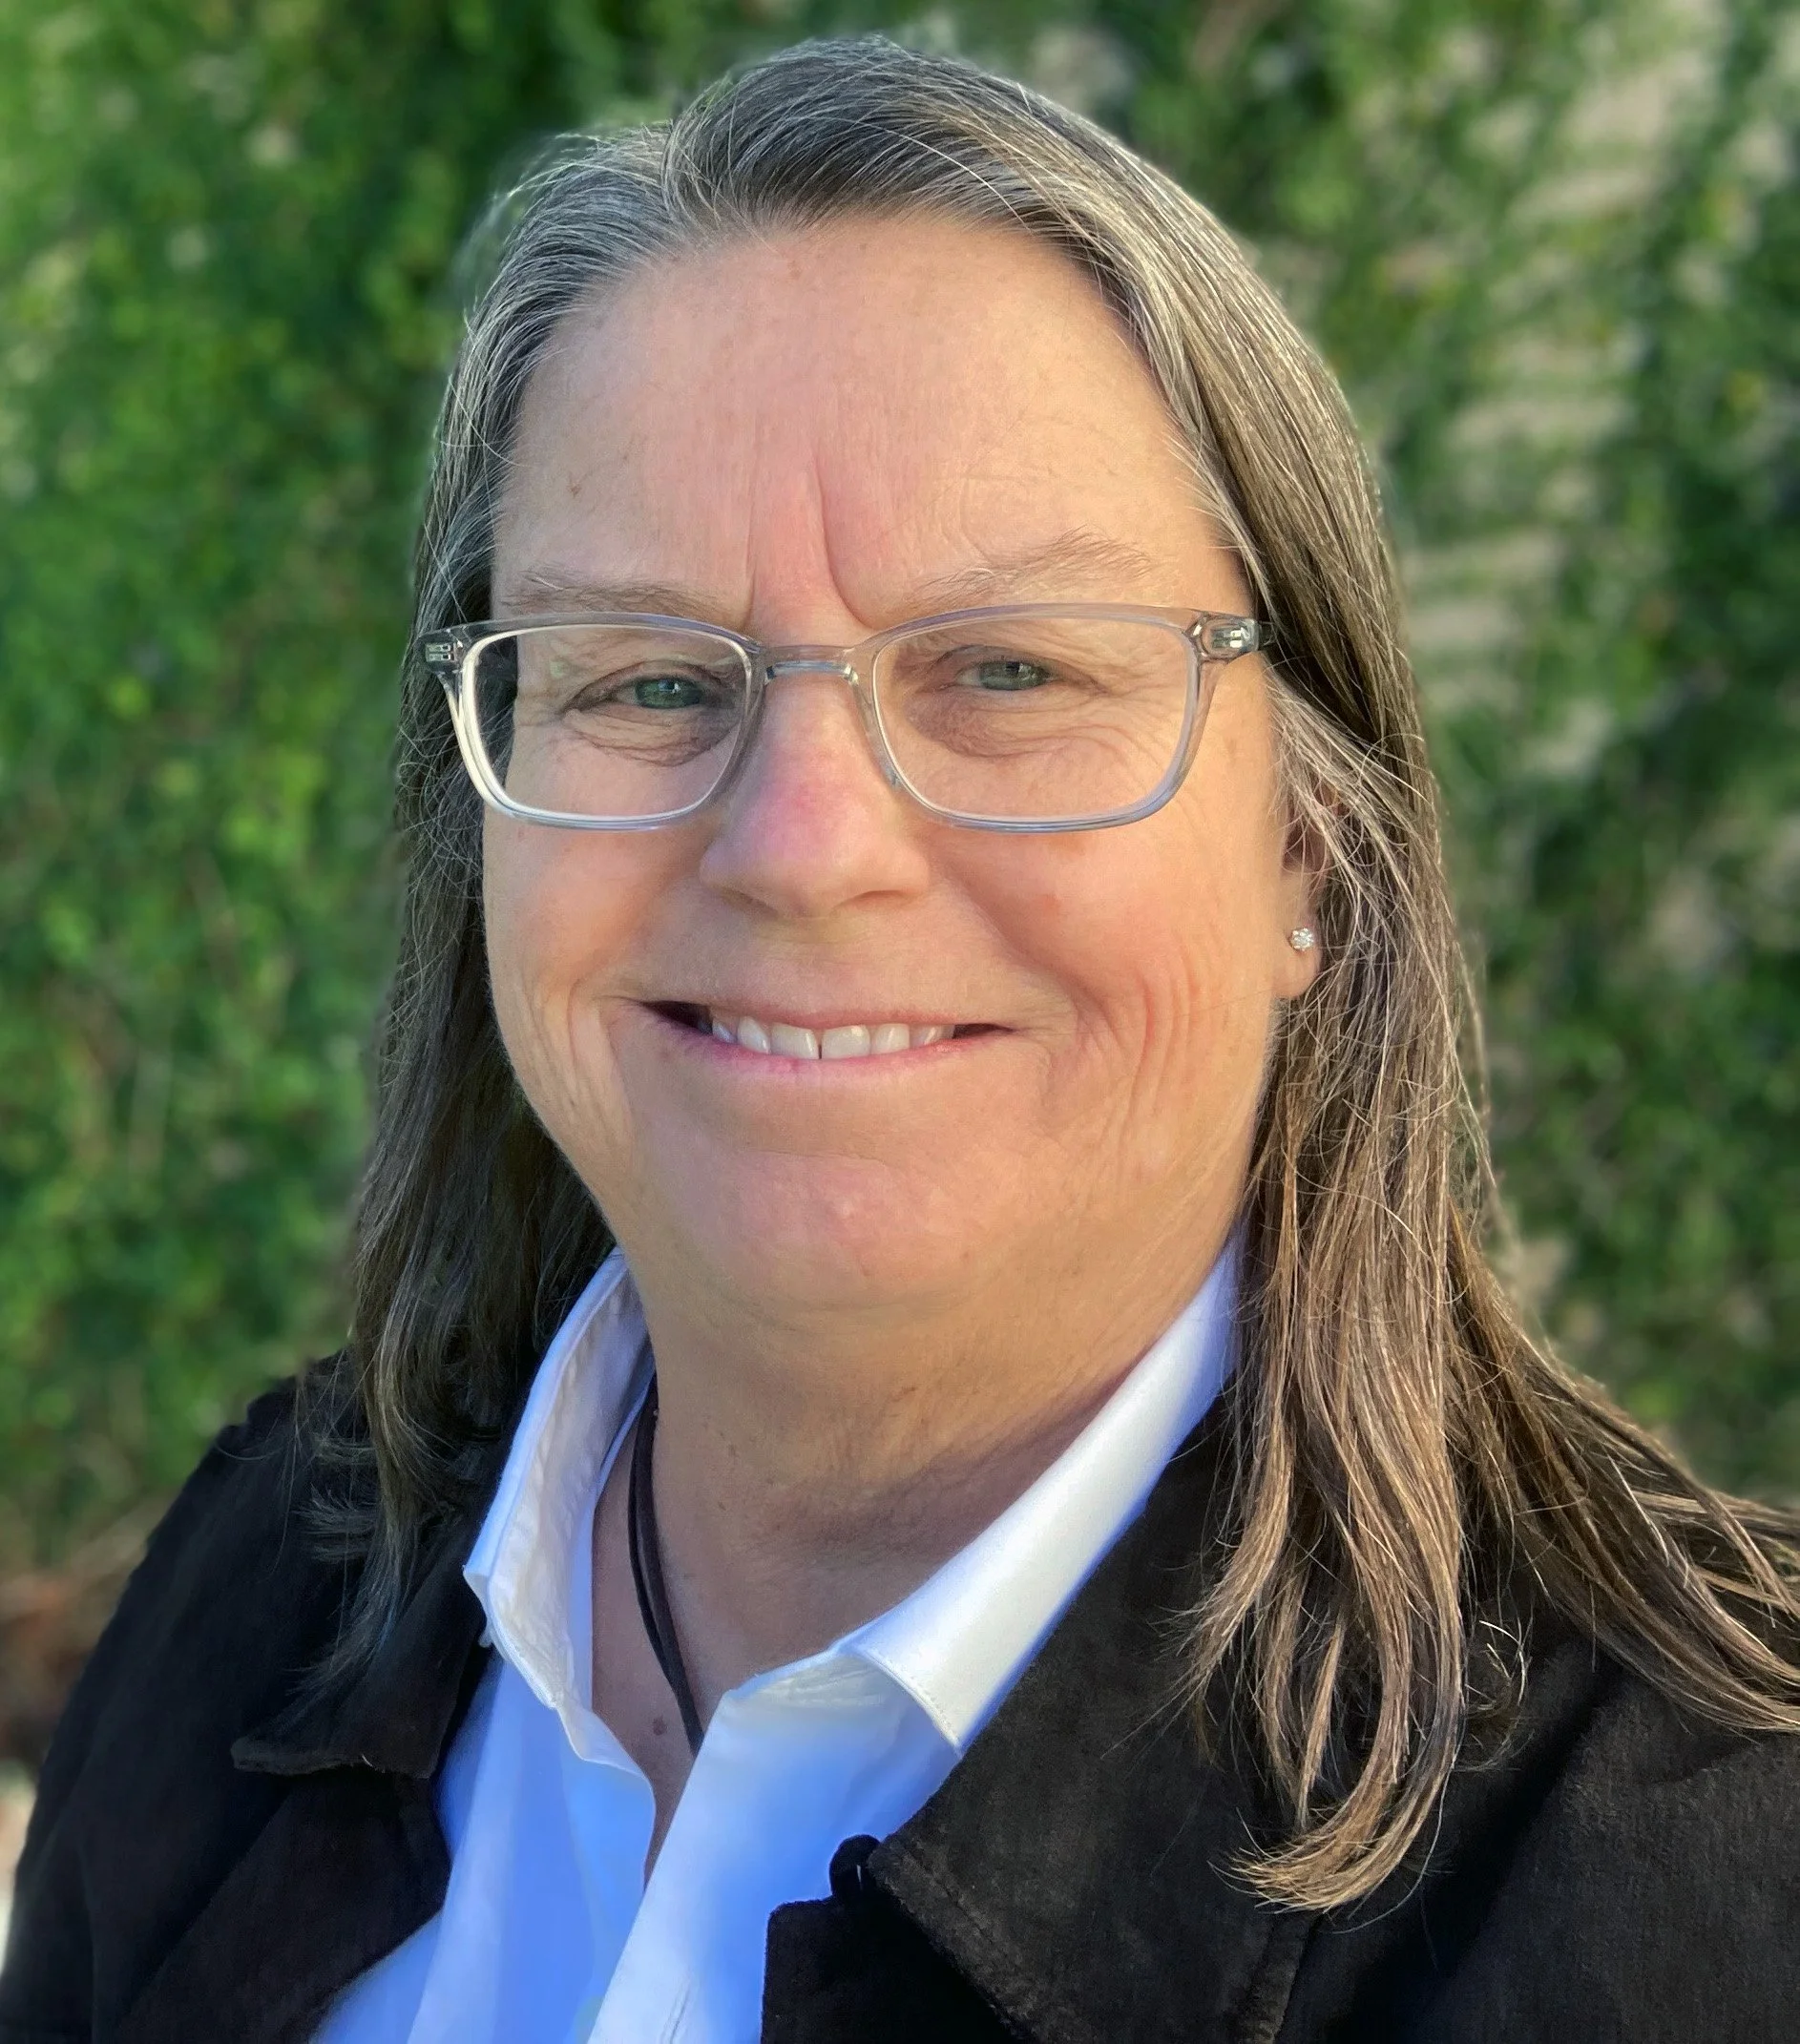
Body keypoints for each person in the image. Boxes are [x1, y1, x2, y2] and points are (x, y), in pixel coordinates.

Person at [5, 36, 1798, 2044]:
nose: (801, 848)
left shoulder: (1708, 1882)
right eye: (650, 678)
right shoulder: (273, 1580)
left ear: (1310, 841)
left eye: (1010, 669)